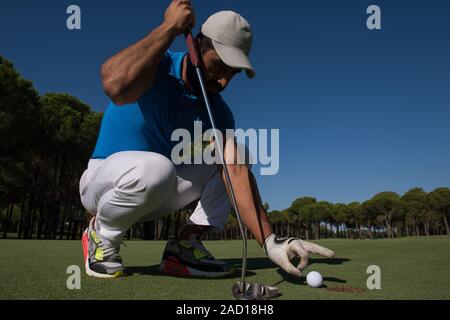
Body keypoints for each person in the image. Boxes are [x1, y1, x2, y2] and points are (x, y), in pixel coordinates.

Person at [79, 0, 335, 279]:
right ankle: (101, 235)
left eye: (232, 73)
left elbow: (235, 170)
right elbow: (115, 86)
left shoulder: (218, 112)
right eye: (220, 65)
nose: (224, 81)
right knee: (156, 169)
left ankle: (184, 246)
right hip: (102, 184)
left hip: (157, 191)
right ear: (198, 46)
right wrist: (169, 27)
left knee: (237, 154)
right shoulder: (156, 65)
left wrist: (270, 240)